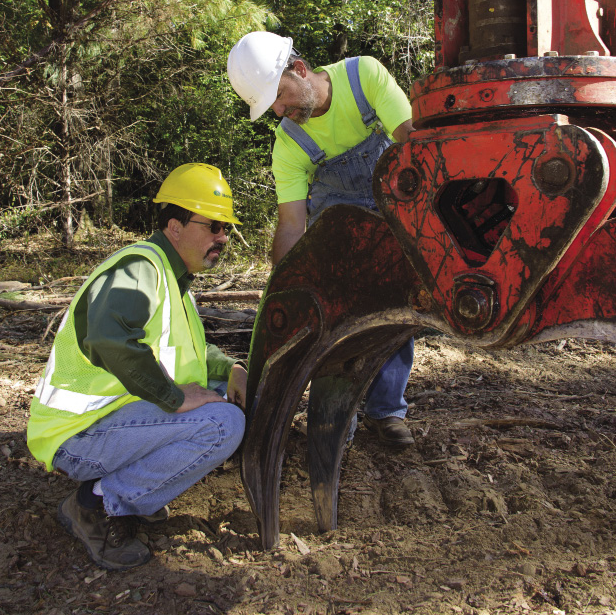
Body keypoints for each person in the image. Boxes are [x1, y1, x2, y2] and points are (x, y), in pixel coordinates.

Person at [27, 163, 247, 571]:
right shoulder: (141, 268)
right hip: (78, 434)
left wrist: (232, 367)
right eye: (213, 226)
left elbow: (190, 355)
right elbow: (109, 338)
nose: (222, 237)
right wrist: (174, 396)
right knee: (223, 424)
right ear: (174, 226)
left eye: (226, 229)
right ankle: (97, 505)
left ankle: (134, 491)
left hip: (108, 424)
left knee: (217, 401)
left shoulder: (171, 278)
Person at [227, 31, 415, 448]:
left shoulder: (363, 77)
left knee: (397, 304)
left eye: (278, 97)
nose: (279, 111)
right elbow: (293, 224)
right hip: (337, 222)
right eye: (271, 107)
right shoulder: (289, 142)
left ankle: (386, 411)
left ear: (299, 70)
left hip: (393, 202)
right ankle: (335, 419)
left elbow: (412, 144)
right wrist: (284, 288)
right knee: (338, 312)